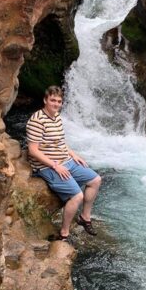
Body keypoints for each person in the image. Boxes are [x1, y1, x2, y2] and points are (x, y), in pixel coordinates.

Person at [26, 85, 102, 243]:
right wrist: (55, 165)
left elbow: (60, 142)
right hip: (47, 166)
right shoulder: (37, 120)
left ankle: (84, 217)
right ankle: (64, 233)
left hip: (66, 160)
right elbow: (33, 150)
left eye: (59, 101)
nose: (56, 104)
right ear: (45, 100)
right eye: (52, 100)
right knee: (77, 196)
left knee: (95, 180)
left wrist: (74, 154)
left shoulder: (57, 117)